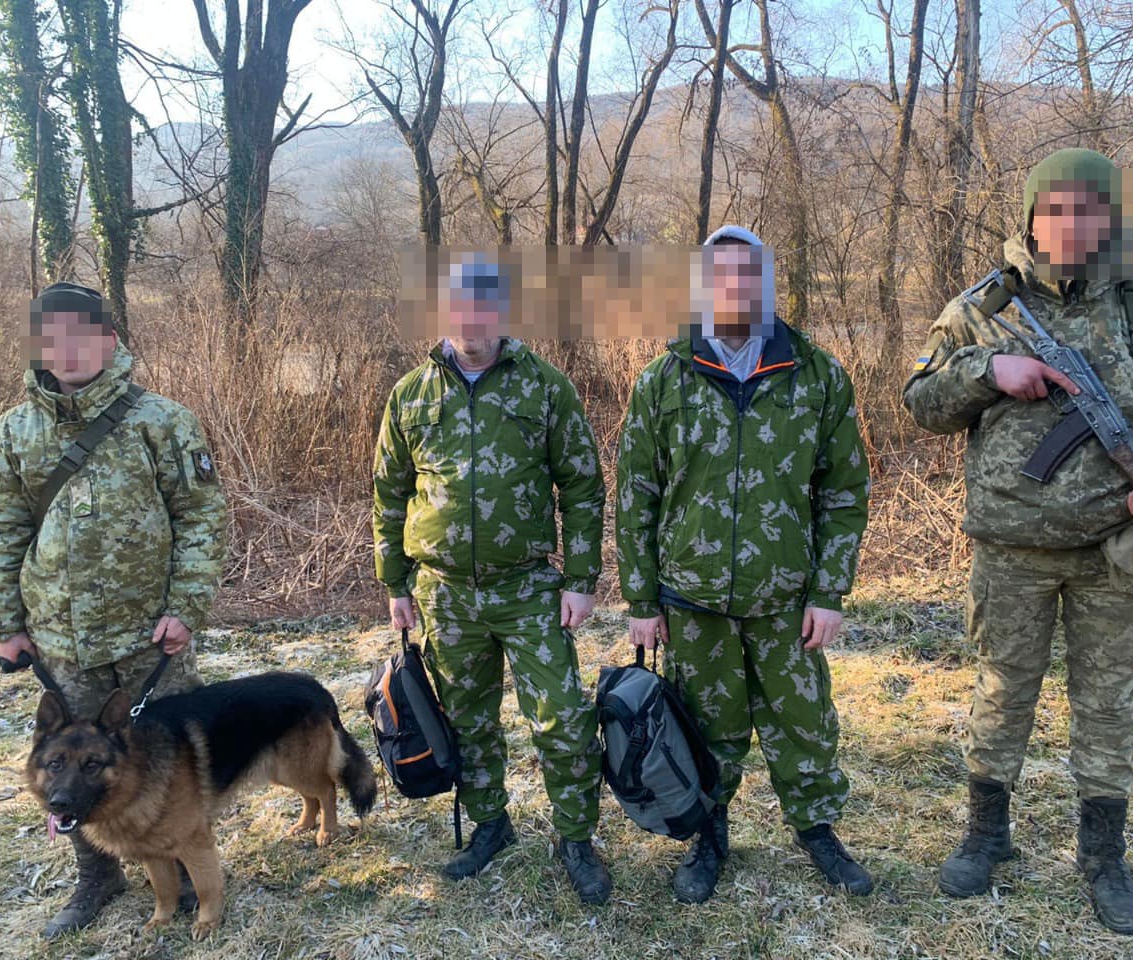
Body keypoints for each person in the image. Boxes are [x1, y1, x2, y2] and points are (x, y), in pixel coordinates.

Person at [903, 148, 1133, 934]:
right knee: (1002, 691)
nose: (1074, 223)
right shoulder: (983, 309)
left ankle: (1104, 855)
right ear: (1032, 216)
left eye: (1091, 209)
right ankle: (986, 837)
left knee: (1108, 702)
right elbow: (920, 400)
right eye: (1058, 208)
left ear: (1113, 219)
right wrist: (991, 370)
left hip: (1120, 545)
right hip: (1010, 547)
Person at [615, 225, 873, 903]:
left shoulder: (816, 374)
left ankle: (817, 830)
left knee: (804, 724)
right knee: (705, 727)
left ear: (767, 283)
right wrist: (642, 602)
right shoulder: (664, 379)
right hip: (693, 602)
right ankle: (711, 835)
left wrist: (830, 590)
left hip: (788, 602)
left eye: (747, 275)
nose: (734, 288)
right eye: (719, 276)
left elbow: (845, 492)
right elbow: (636, 495)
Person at [0, 281, 227, 937]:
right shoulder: (12, 432)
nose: (67, 349)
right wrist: (3, 623)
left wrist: (186, 606)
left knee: (171, 765)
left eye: (79, 335)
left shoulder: (161, 421)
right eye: (52, 338)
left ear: (107, 338)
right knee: (72, 771)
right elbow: (0, 529)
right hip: (63, 644)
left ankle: (188, 863)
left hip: (152, 640)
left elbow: (200, 518)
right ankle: (98, 877)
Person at [371, 255, 611, 904]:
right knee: (470, 723)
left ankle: (574, 838)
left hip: (528, 588)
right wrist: (395, 582)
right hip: (444, 593)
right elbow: (389, 493)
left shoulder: (543, 386)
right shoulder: (411, 395)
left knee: (560, 719)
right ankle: (490, 825)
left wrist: (581, 578)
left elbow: (583, 486)